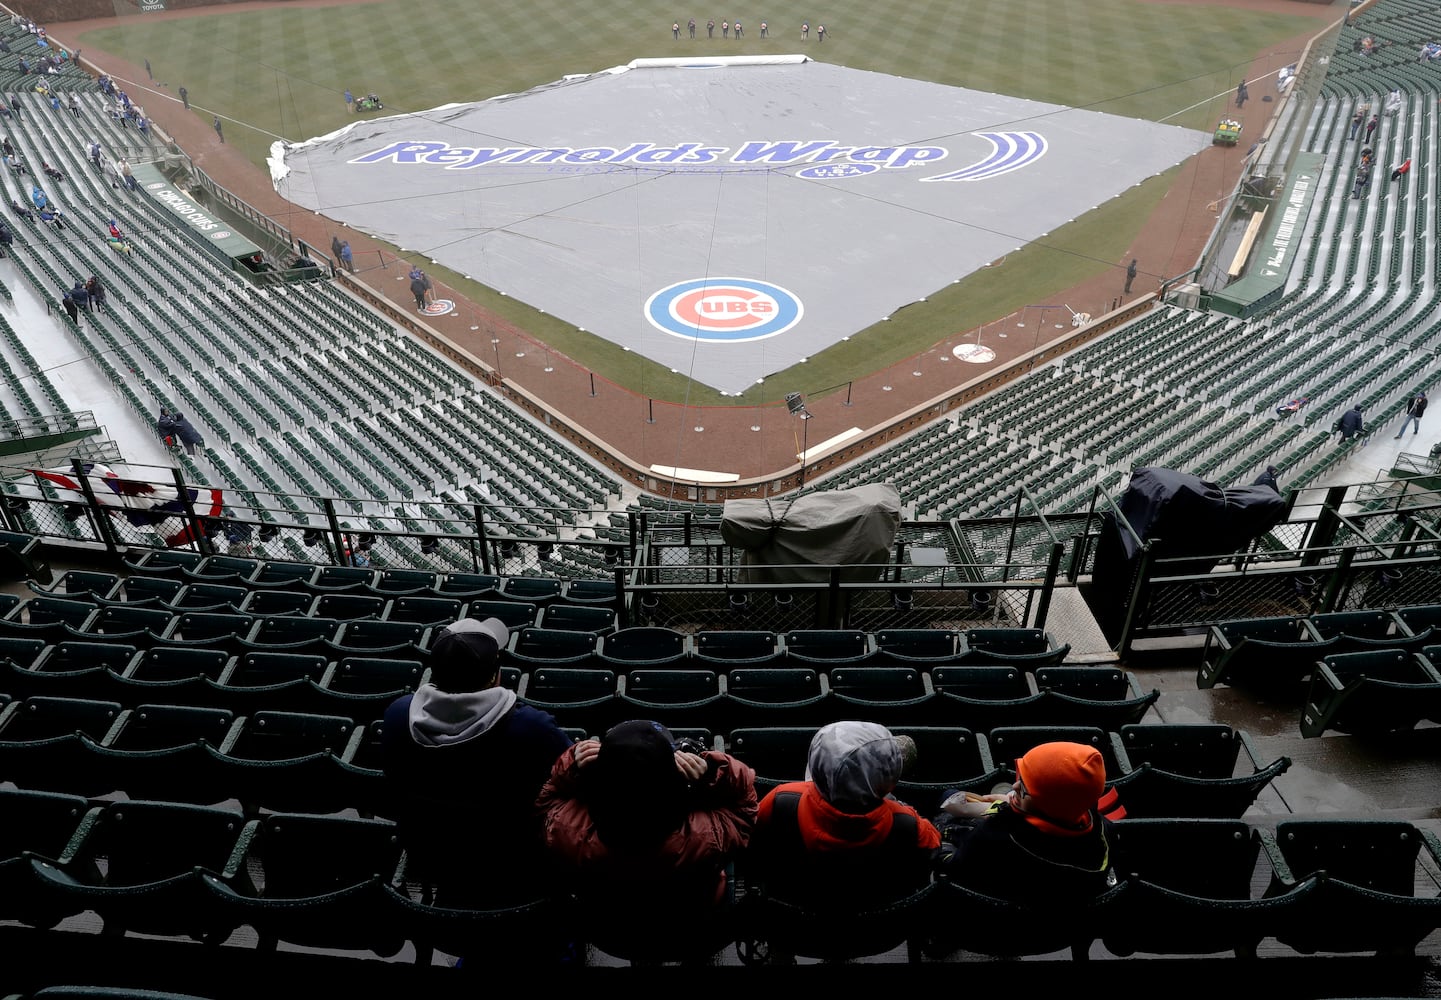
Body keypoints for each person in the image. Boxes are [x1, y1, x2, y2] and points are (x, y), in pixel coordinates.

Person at [380, 617, 572, 903]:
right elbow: (572, 777)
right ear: (496, 675)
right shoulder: (532, 727)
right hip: (513, 853)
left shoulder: (398, 715)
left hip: (432, 850)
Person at [538, 720, 757, 953]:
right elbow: (745, 803)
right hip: (692, 929)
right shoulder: (708, 835)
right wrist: (710, 769)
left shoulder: (567, 832)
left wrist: (572, 763)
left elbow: (548, 798)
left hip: (609, 934)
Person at [749, 722, 940, 910]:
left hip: (794, 931)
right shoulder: (907, 823)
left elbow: (752, 847)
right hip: (879, 935)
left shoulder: (782, 800)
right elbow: (931, 851)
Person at [934, 741, 1119, 903]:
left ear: (1044, 803)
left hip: (992, 924)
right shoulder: (1103, 833)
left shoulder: (993, 836)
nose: (1014, 786)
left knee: (947, 804)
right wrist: (1015, 804)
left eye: (1023, 787)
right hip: (1059, 931)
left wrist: (1003, 813)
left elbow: (955, 872)